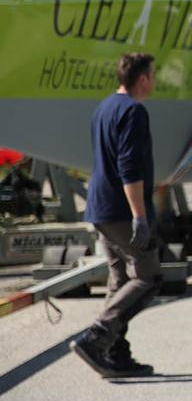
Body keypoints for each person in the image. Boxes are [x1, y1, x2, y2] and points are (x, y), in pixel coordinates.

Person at [70, 52, 160, 378]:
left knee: (120, 279)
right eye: (153, 75)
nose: (154, 80)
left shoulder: (104, 107)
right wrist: (139, 216)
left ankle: (115, 353)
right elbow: (129, 167)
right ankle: (96, 337)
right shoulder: (134, 112)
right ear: (142, 79)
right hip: (122, 212)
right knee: (148, 277)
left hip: (99, 208)